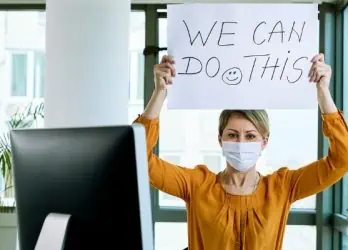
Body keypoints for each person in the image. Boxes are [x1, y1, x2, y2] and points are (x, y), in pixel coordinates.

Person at [133, 54, 348, 250]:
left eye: (250, 136)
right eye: (233, 135)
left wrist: (323, 93)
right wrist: (160, 93)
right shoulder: (196, 184)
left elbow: (342, 159)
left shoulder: (282, 187)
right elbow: (140, 160)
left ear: (265, 141)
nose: (241, 142)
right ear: (220, 139)